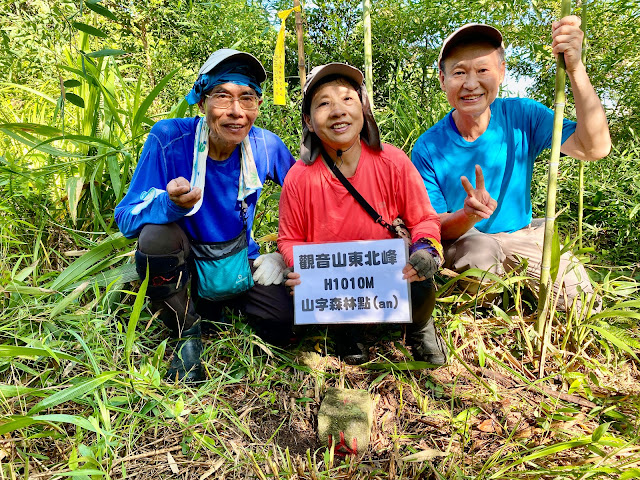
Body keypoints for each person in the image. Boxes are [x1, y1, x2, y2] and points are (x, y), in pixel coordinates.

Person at [115, 49, 296, 382]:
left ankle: (225, 306)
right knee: (155, 237)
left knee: (283, 321)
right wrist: (171, 205)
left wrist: (286, 255)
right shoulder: (169, 138)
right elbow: (126, 217)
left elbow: (307, 193)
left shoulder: (265, 145)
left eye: (248, 98)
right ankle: (186, 330)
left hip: (238, 261)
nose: (236, 112)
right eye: (223, 97)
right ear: (201, 101)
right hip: (185, 265)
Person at [411, 17, 611, 310]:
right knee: (480, 256)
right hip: (467, 241)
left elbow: (595, 147)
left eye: (482, 70)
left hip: (522, 234)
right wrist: (468, 214)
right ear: (443, 80)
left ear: (501, 72)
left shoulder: (524, 116)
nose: (470, 83)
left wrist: (575, 69)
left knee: (579, 301)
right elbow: (435, 225)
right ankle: (485, 309)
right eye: (459, 72)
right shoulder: (428, 146)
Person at [278, 63, 447, 365]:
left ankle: (420, 327)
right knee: (278, 308)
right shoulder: (299, 178)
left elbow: (423, 219)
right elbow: (289, 239)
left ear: (363, 108)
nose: (338, 110)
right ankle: (347, 330)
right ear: (308, 120)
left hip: (390, 278)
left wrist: (425, 246)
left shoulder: (392, 161)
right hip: (336, 285)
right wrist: (300, 268)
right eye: (324, 103)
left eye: (347, 99)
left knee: (419, 270)